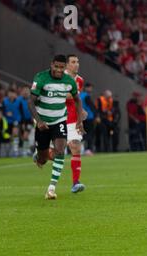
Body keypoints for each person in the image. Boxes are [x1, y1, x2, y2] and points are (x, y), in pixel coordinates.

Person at [29, 54, 85, 200]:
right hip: (43, 123)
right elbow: (31, 101)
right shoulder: (41, 78)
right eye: (57, 67)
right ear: (52, 65)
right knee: (42, 159)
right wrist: (38, 120)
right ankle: (40, 154)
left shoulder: (71, 82)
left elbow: (77, 100)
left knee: (62, 150)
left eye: (61, 67)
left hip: (60, 120)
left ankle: (52, 188)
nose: (59, 70)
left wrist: (80, 120)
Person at [64, 54, 87, 193]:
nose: (76, 64)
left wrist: (81, 112)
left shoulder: (80, 80)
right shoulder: (60, 79)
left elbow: (75, 100)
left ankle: (75, 183)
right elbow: (65, 96)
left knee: (76, 148)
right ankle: (40, 152)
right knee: (55, 154)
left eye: (77, 62)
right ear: (67, 65)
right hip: (59, 118)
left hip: (73, 119)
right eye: (73, 62)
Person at [2, 88, 22, 157]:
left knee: (15, 134)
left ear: (15, 94)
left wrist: (20, 120)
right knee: (9, 137)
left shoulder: (18, 101)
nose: (11, 95)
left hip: (16, 121)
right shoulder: (5, 101)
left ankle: (15, 151)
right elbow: (3, 111)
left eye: (13, 93)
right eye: (10, 93)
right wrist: (6, 114)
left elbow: (21, 111)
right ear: (8, 94)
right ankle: (9, 152)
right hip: (7, 122)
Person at [80, 83, 98, 154]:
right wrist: (96, 115)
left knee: (82, 133)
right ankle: (88, 149)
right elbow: (92, 106)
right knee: (90, 133)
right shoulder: (86, 96)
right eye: (90, 87)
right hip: (89, 117)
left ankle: (82, 147)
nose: (91, 89)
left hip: (80, 117)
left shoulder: (78, 95)